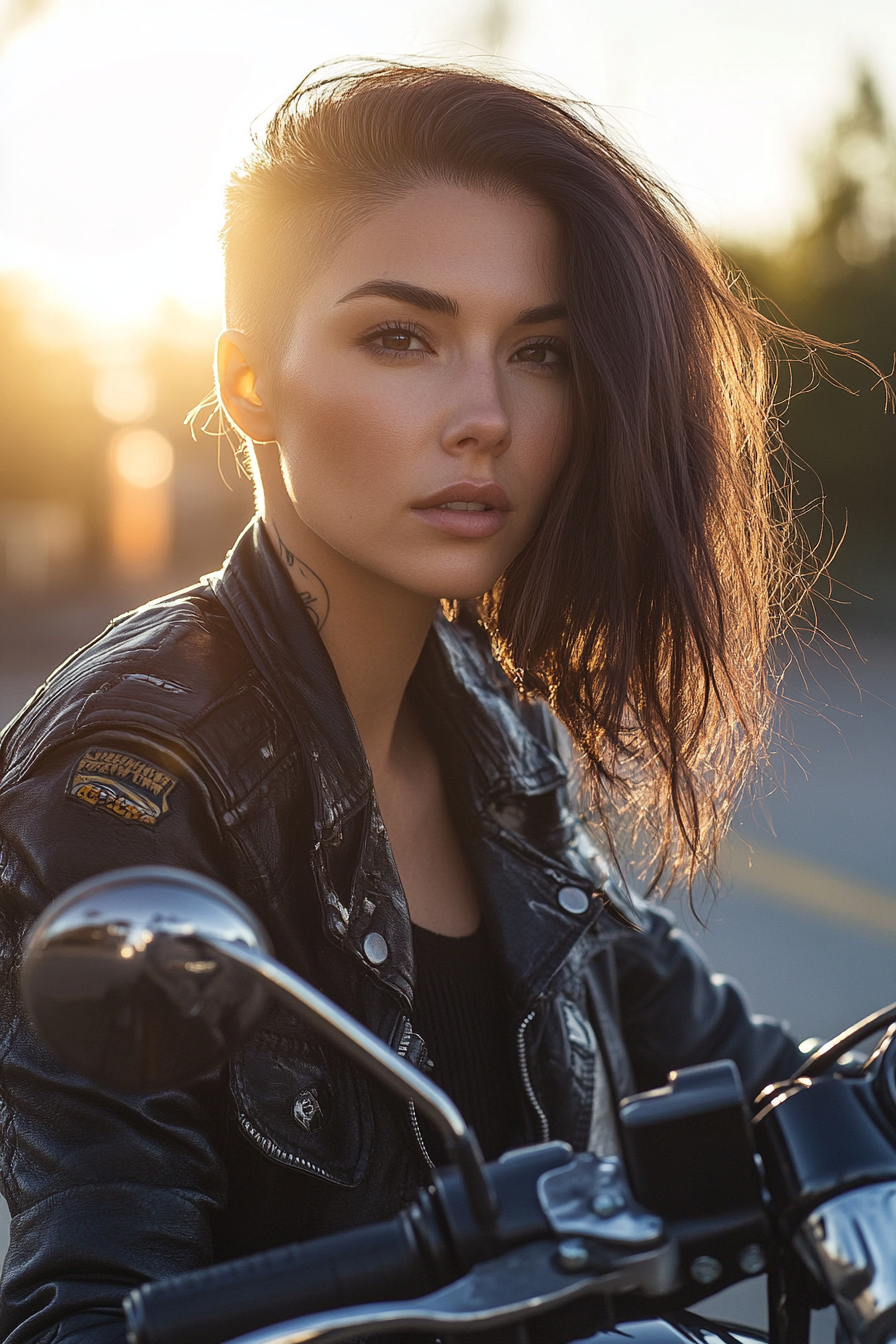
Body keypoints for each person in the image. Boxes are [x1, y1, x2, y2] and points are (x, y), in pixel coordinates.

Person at [0, 61, 815, 1344]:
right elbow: (86, 1305)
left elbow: (733, 1063)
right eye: (401, 337)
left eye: (538, 352)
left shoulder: (488, 715)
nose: (485, 418)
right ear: (249, 383)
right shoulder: (132, 777)